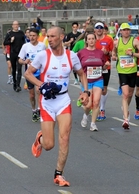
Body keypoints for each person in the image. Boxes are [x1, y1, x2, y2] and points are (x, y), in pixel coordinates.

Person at [25, 26, 89, 187]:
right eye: (49, 36)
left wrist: (85, 92)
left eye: (53, 36)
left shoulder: (71, 56)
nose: (50, 39)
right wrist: (42, 85)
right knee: (49, 145)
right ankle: (40, 138)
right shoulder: (43, 56)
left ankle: (58, 174)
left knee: (65, 138)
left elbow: (81, 74)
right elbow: (28, 73)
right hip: (47, 103)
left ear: (61, 37)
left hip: (63, 101)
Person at [111, 23, 139, 129]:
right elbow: (113, 53)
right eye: (124, 30)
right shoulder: (117, 42)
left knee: (130, 94)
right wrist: (114, 57)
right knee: (125, 94)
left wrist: (133, 54)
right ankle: (126, 119)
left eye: (128, 30)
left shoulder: (134, 41)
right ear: (120, 31)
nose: (126, 31)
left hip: (132, 70)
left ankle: (126, 108)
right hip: (122, 71)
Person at [78, 32, 109, 131]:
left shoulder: (100, 52)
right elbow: (77, 67)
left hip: (98, 80)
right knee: (88, 104)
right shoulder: (81, 53)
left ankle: (93, 124)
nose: (91, 41)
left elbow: (103, 66)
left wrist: (106, 65)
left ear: (96, 40)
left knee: (96, 102)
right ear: (86, 41)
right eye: (89, 39)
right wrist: (79, 77)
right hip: (86, 81)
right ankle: (85, 115)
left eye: (93, 39)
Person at [18, 28, 46, 122]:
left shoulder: (42, 46)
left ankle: (39, 109)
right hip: (30, 73)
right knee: (31, 95)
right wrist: (24, 61)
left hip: (40, 72)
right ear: (28, 36)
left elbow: (47, 57)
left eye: (34, 35)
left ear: (37, 36)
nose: (32, 37)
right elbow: (20, 59)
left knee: (39, 91)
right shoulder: (25, 46)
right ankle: (34, 110)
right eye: (30, 35)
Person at [94, 22, 114, 121]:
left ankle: (102, 109)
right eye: (97, 28)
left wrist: (107, 52)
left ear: (103, 29)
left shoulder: (108, 39)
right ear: (94, 30)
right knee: (94, 88)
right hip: (94, 67)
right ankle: (95, 107)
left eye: (101, 28)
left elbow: (113, 54)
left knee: (104, 89)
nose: (99, 29)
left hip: (106, 67)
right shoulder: (92, 39)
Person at [3, 21, 26, 92]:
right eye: (14, 25)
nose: (16, 26)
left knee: (19, 69)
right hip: (13, 53)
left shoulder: (21, 33)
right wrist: (10, 41)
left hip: (20, 54)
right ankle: (14, 84)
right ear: (12, 26)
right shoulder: (9, 33)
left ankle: (18, 85)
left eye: (17, 25)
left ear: (18, 25)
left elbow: (24, 42)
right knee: (14, 69)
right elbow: (5, 42)